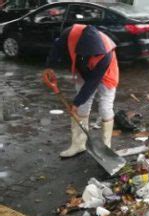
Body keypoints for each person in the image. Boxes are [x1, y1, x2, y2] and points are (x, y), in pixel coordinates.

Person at [44, 24, 119, 158]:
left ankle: (106, 148)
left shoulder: (105, 55)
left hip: (106, 74)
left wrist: (76, 102)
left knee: (105, 108)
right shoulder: (71, 33)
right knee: (81, 110)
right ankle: (78, 145)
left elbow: (92, 83)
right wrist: (49, 66)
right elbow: (57, 47)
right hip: (82, 72)